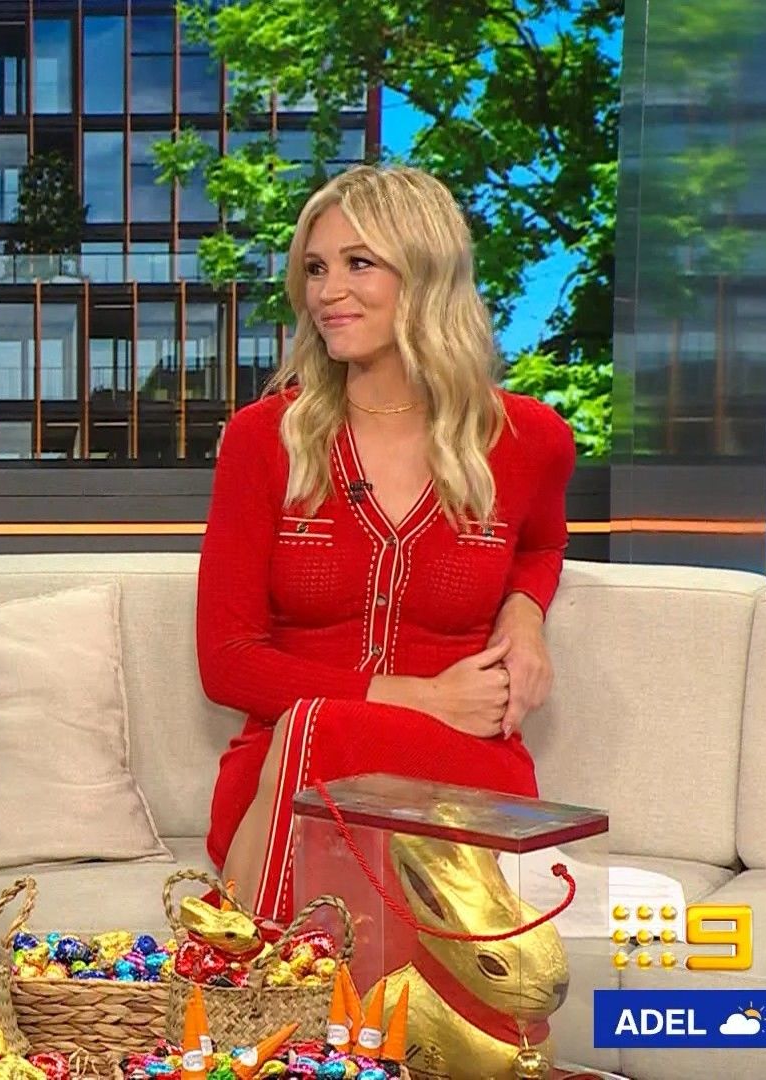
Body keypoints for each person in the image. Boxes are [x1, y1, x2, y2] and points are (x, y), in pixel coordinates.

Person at [196, 165, 577, 924]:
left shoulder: (528, 438)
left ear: (427, 275)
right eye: (315, 269)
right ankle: (272, 967)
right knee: (314, 727)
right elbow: (227, 662)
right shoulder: (263, 440)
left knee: (318, 728)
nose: (327, 292)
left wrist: (525, 614)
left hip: (458, 763)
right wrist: (425, 696)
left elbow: (540, 544)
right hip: (285, 773)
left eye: (358, 263)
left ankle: (241, 960)